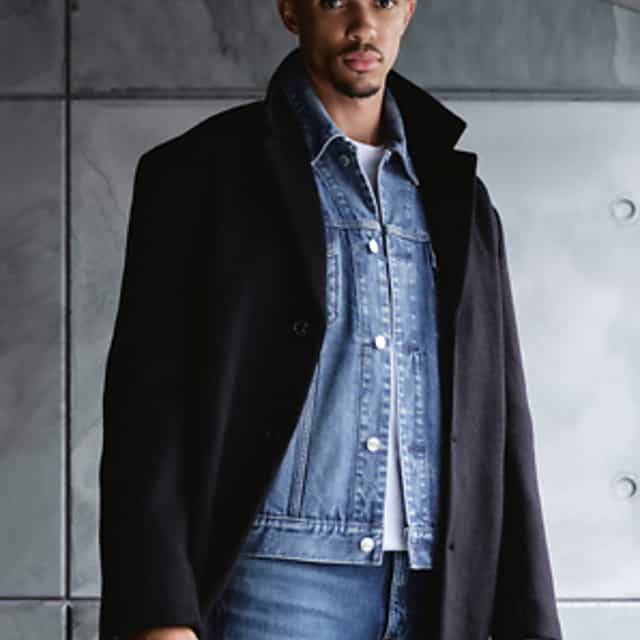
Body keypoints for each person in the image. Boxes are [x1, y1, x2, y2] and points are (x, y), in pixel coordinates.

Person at [98, 1, 563, 639]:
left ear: (408, 11)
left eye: (383, 1)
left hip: (442, 589)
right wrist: (159, 614)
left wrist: (530, 619)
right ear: (291, 10)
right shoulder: (199, 174)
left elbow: (503, 420)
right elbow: (146, 412)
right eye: (335, 0)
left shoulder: (461, 198)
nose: (362, 24)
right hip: (277, 585)